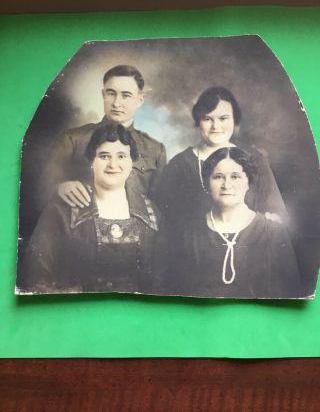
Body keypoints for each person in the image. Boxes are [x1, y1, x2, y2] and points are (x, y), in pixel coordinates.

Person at [17, 123, 166, 294]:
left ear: (131, 162)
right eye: (104, 156)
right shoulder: (63, 210)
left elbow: (160, 281)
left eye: (121, 156)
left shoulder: (152, 214)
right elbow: (36, 278)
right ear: (91, 161)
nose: (113, 164)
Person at [170, 147, 301, 299]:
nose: (227, 185)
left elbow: (289, 295)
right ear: (208, 182)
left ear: (248, 182)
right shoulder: (188, 233)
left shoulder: (272, 232)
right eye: (218, 177)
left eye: (235, 177)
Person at [158, 87, 287, 236]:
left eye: (223, 118)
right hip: (197, 252)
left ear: (234, 119)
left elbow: (275, 213)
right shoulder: (179, 165)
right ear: (198, 121)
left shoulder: (254, 158)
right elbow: (167, 221)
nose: (216, 126)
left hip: (249, 247)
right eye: (207, 119)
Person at [43, 65, 166, 208]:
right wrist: (59, 188)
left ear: (140, 100)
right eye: (111, 93)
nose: (116, 103)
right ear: (103, 95)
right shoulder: (73, 139)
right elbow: (42, 190)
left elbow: (160, 205)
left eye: (126, 95)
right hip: (83, 226)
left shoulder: (156, 150)